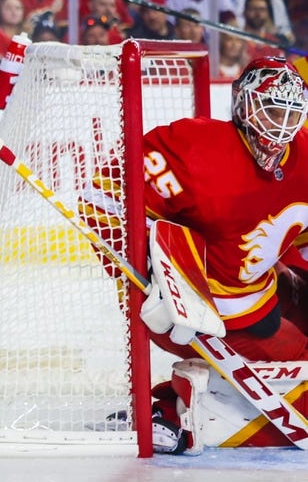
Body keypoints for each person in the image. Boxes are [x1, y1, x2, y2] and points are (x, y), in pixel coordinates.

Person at [86, 58, 308, 453]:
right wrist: (148, 278)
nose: (280, 126)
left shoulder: (305, 155)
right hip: (203, 314)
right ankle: (178, 412)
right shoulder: (195, 148)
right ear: (243, 104)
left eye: (291, 114)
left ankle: (189, 397)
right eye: (272, 110)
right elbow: (102, 197)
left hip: (264, 289)